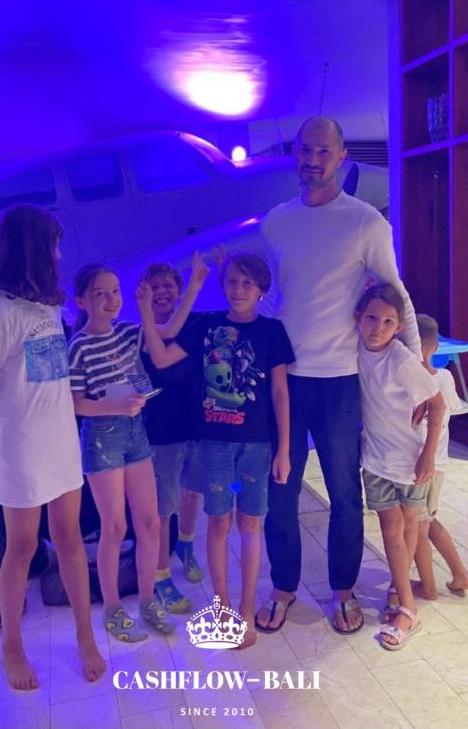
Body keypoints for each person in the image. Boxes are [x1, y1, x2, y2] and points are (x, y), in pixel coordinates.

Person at [257, 115, 422, 634]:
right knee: (280, 492)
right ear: (296, 154)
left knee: (345, 495)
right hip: (286, 379)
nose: (312, 159)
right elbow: (279, 296)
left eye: (323, 151)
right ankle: (283, 587)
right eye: (305, 149)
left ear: (342, 157)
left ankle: (343, 590)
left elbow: (396, 296)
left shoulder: (366, 222)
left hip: (341, 380)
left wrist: (418, 372)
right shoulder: (275, 222)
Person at [0, 205, 106, 690]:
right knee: (23, 547)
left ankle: (85, 635)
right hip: (21, 447)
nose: (60, 254)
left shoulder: (49, 308)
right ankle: (12, 646)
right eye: (54, 245)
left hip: (60, 440)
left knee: (70, 538)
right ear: (35, 249)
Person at [137, 252, 294, 649]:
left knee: (250, 525)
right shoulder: (205, 325)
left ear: (261, 290)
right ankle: (223, 609)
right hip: (214, 444)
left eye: (247, 283)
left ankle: (246, 609)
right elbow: (161, 356)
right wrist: (146, 311)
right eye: (232, 281)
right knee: (219, 525)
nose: (238, 290)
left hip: (257, 446)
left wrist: (285, 450)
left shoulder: (273, 331)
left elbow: (280, 393)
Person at [67, 257, 207, 641]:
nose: (110, 300)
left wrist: (192, 286)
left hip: (135, 433)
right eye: (100, 294)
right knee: (114, 527)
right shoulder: (78, 347)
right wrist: (115, 405)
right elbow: (76, 403)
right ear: (82, 301)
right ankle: (112, 608)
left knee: (148, 522)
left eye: (115, 292)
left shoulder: (129, 332)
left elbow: (169, 330)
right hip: (103, 437)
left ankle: (147, 600)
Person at [355, 284, 443, 649]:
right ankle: (403, 593)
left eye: (388, 321)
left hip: (409, 461)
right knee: (392, 528)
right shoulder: (353, 348)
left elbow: (437, 404)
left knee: (408, 526)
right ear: (358, 318)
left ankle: (407, 606)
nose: (378, 327)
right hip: (376, 460)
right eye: (371, 318)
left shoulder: (401, 359)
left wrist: (428, 455)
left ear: (399, 327)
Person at [139, 262, 205, 616]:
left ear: (178, 290)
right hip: (161, 431)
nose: (162, 291)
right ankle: (161, 575)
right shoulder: (141, 332)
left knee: (191, 492)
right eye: (155, 286)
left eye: (168, 285)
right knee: (164, 506)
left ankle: (186, 545)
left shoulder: (193, 325)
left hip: (195, 423)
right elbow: (159, 353)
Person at [411, 314, 468, 600]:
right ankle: (460, 573)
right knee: (428, 520)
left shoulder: (411, 381)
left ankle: (427, 586)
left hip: (421, 465)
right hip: (438, 464)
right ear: (436, 347)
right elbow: (454, 408)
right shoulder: (445, 377)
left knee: (419, 526)